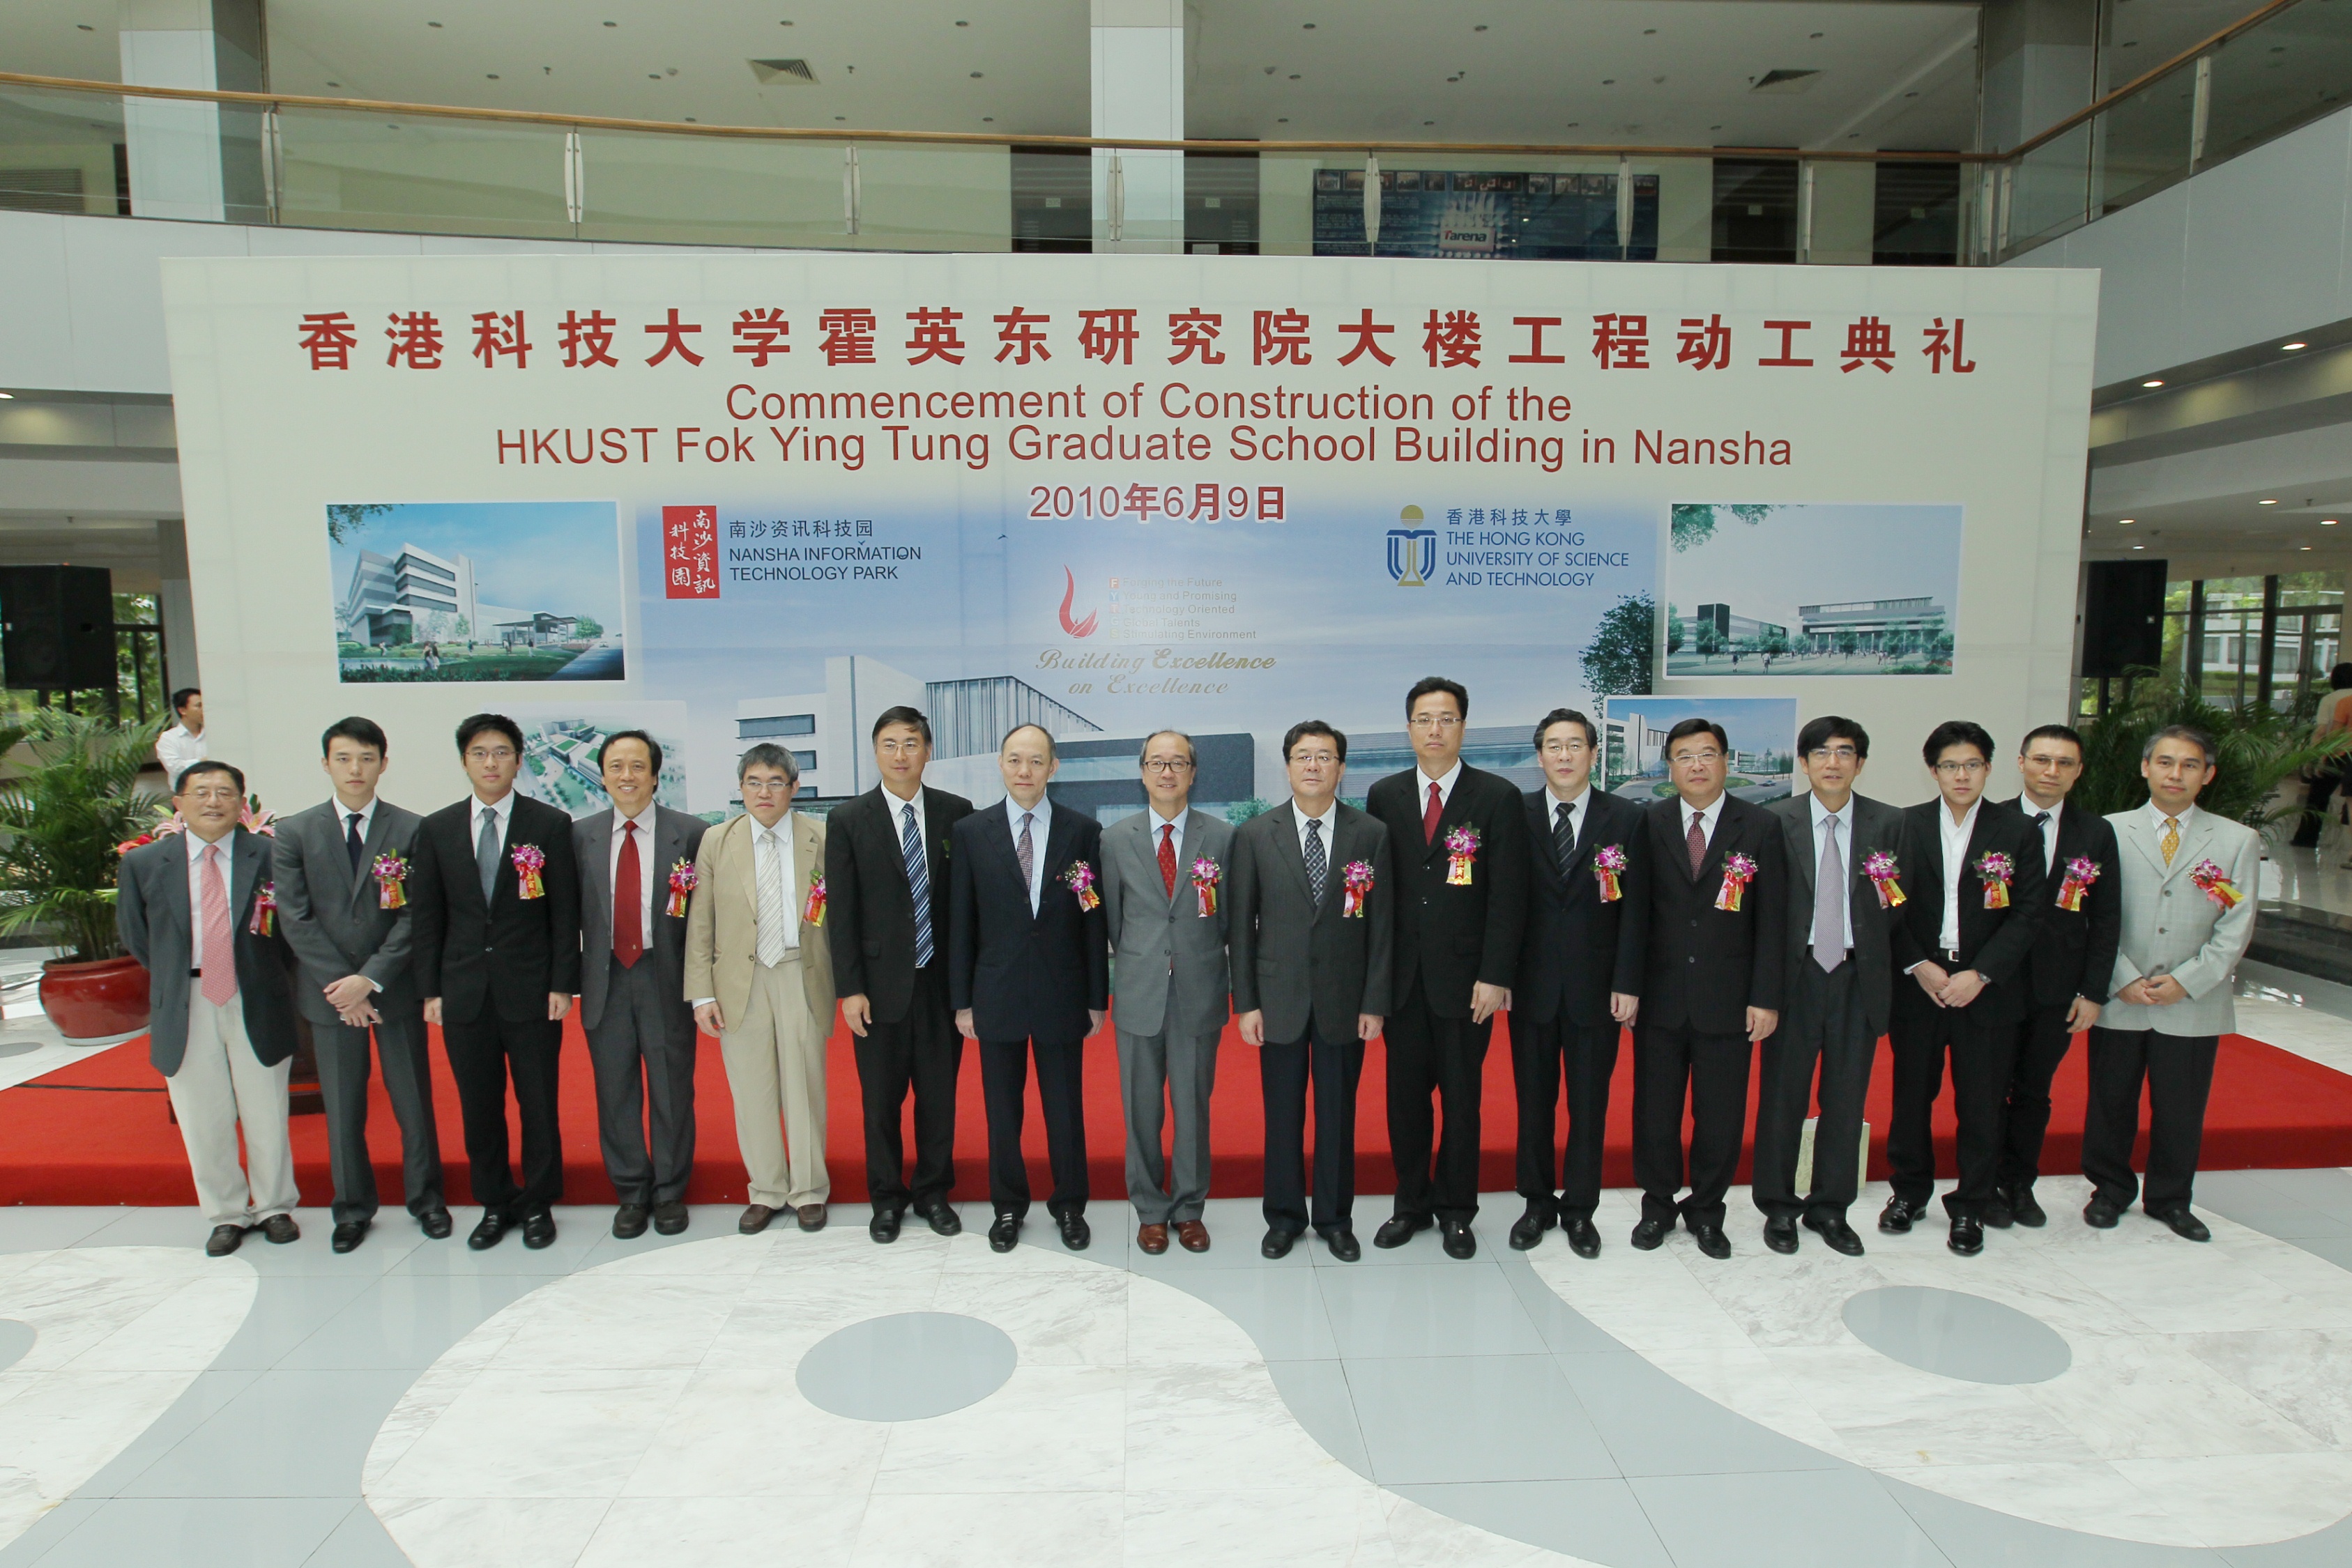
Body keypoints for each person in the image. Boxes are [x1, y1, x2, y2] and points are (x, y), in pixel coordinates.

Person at [1363, 676, 1528, 1260]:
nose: (1435, 730)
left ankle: (1458, 1210)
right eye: (1424, 719)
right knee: (1404, 1103)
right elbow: (1377, 895)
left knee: (1461, 1101)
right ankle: (1410, 1205)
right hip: (1404, 983)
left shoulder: (1496, 797)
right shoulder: (1384, 795)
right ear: (1408, 728)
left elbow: (1508, 896)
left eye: (1447, 719)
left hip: (1467, 985)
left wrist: (1495, 974)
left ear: (1463, 726)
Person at [270, 717, 447, 1253]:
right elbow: (295, 918)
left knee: (413, 1100)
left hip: (393, 987)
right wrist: (343, 987)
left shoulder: (413, 829)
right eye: (344, 758)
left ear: (384, 764)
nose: (355, 769)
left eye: (366, 758)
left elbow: (418, 915)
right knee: (344, 1107)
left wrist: (369, 979)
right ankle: (351, 1210)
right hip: (330, 999)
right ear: (326, 763)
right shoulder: (295, 831)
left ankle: (428, 1201)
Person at [409, 714, 581, 1251]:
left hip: (531, 990)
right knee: (479, 1106)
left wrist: (562, 983)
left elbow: (564, 912)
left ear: (518, 758)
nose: (491, 762)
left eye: (502, 752)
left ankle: (538, 1204)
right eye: (480, 753)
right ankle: (494, 1202)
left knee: (538, 1103)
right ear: (464, 760)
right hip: (463, 993)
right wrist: (431, 990)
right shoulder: (435, 829)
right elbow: (427, 917)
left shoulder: (549, 823)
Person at [116, 760, 301, 1256]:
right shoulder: (146, 864)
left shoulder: (273, 854)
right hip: (187, 1000)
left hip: (256, 994)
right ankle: (226, 1214)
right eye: (201, 792)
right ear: (179, 804)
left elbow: (291, 933)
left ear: (243, 804)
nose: (213, 801)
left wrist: (262, 973)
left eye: (225, 792)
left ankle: (275, 1207)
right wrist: (182, 975)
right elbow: (137, 934)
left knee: (266, 1107)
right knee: (204, 1114)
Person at [2084, 725, 2260, 1241]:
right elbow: (2089, 914)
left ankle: (2170, 1198)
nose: (2175, 774)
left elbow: (2237, 920)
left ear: (2207, 775)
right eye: (2165, 762)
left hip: (2192, 1002)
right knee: (2111, 1100)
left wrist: (2188, 981)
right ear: (2145, 767)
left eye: (2188, 765)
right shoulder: (2107, 831)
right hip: (2121, 995)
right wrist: (2123, 978)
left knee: (2182, 1107)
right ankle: (2109, 1191)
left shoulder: (2235, 840)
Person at [1229, 721, 1391, 1261]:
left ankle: (1334, 1219)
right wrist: (1246, 1003)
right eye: (1304, 756)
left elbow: (1381, 927)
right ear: (1289, 765)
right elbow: (1240, 925)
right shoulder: (1255, 835)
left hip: (1345, 1001)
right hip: (1278, 1001)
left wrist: (1374, 1001)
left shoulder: (1370, 834)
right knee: (1282, 1117)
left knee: (1338, 1117)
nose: (1314, 766)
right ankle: (1283, 1218)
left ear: (1341, 768)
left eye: (1325, 757)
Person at [1884, 720, 2045, 1256]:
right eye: (1950, 766)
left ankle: (1971, 1205)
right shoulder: (1904, 826)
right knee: (1912, 1098)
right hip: (1921, 987)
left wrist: (1980, 974)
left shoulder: (2019, 831)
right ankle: (1908, 1193)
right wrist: (1917, 965)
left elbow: (2027, 915)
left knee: (1981, 1103)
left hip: (1986, 989)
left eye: (1972, 765)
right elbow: (1887, 904)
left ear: (1989, 769)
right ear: (1933, 771)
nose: (1961, 775)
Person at [949, 723, 1109, 1253]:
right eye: (1015, 760)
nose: (1025, 771)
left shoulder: (1081, 831)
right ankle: (1008, 1207)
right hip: (996, 994)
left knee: (1066, 1109)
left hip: (1063, 993)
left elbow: (1092, 915)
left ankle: (1069, 1206)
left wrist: (1095, 998)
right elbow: (961, 924)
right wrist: (963, 1001)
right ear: (1001, 764)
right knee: (1003, 1110)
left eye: (1036, 761)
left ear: (1053, 768)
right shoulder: (972, 832)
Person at [1628, 718, 1783, 1260]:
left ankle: (1707, 1212)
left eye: (1707, 754)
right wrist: (1628, 987)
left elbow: (1773, 921)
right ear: (1670, 767)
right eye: (1685, 756)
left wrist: (1765, 996)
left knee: (1719, 1116)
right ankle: (1657, 1206)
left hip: (1729, 1000)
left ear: (1725, 761)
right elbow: (1635, 915)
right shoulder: (1649, 824)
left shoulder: (1760, 826)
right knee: (1655, 1112)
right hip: (1661, 997)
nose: (1696, 765)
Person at [1752, 717, 1901, 1257]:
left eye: (1844, 753)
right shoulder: (1774, 822)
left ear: (1860, 763)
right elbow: (1762, 916)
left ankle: (1831, 1207)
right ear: (1804, 762)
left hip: (1861, 976)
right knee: (1782, 1097)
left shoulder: (1891, 824)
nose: (1832, 763)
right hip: (1797, 977)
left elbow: (1904, 910)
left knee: (1845, 1098)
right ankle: (1778, 1207)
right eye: (1821, 753)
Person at [825, 707, 972, 1243]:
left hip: (940, 985)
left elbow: (966, 906)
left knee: (939, 1099)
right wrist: (850, 990)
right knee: (880, 1103)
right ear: (876, 752)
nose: (901, 755)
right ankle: (885, 1198)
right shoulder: (847, 820)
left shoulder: (958, 813)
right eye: (889, 744)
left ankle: (933, 1192)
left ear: (927, 751)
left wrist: (967, 989)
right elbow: (839, 915)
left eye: (911, 744)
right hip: (879, 988)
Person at [1507, 707, 1645, 1258]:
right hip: (1531, 986)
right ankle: (1537, 1203)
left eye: (1575, 746)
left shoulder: (1628, 818)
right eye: (1554, 747)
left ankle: (1580, 1210)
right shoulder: (1513, 814)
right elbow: (1502, 905)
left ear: (1593, 753)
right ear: (1539, 756)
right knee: (1533, 1102)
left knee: (1590, 1103)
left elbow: (1638, 910)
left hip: (1597, 987)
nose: (1564, 756)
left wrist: (1628, 981)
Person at [686, 744, 836, 1234]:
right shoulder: (717, 840)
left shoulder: (822, 836)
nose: (764, 792)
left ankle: (810, 1190)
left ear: (794, 787)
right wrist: (701, 992)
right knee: (752, 1092)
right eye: (754, 782)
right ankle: (767, 1190)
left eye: (776, 782)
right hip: (739, 983)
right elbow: (700, 921)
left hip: (800, 973)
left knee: (805, 1087)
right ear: (741, 789)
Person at [1100, 730, 1235, 1255]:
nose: (1167, 772)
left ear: (1193, 773)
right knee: (1141, 1109)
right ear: (1142, 772)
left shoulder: (1223, 837)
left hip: (1200, 990)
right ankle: (1150, 1210)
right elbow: (1112, 920)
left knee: (1192, 1105)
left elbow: (1231, 919)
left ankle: (1189, 1208)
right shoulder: (1115, 839)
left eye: (1178, 762)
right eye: (1157, 762)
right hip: (1138, 990)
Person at [575, 730, 708, 1240]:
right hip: (605, 974)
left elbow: (706, 917)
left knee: (673, 1089)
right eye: (615, 766)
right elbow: (567, 915)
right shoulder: (580, 835)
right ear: (603, 774)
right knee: (615, 1090)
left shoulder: (691, 834)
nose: (626, 776)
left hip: (665, 974)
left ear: (655, 775)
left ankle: (671, 1190)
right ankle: (632, 1191)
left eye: (637, 766)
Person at [1992, 723, 2121, 1227]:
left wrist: (2093, 991)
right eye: (2042, 760)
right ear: (2021, 762)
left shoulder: (2095, 833)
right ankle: (1982, 1185)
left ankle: (2019, 1184)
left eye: (2064, 763)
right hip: (1993, 983)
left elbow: (2106, 919)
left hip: (2057, 988)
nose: (2052, 771)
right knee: (1986, 1090)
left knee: (2033, 1091)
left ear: (2078, 772)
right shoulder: (1990, 821)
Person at [156, 687, 205, 781]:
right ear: (182, 710)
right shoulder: (169, 738)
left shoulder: (212, 735)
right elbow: (175, 768)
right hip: (184, 792)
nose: (203, 710)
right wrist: (202, 762)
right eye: (199, 706)